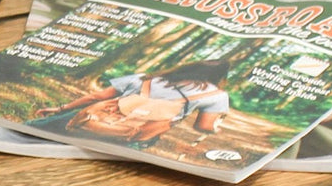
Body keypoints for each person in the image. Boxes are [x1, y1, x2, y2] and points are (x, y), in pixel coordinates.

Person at [32, 60, 231, 145]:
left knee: (35, 131)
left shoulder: (146, 77)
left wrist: (60, 108)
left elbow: (97, 97)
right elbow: (203, 126)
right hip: (138, 134)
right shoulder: (217, 95)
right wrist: (214, 130)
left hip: (96, 117)